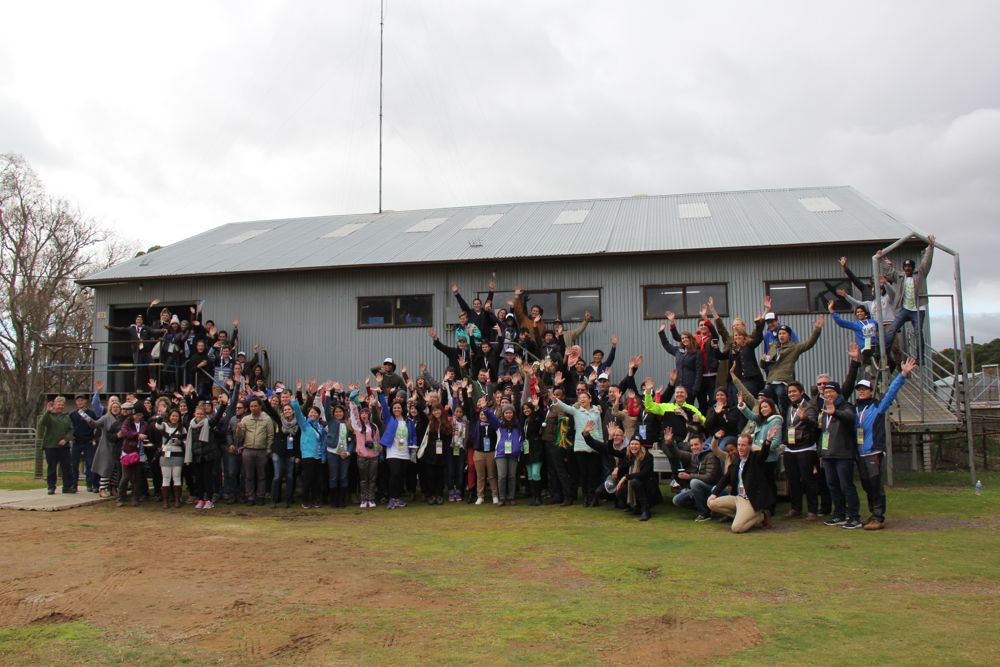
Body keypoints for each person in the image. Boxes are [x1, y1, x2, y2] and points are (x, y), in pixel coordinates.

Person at [855, 358, 917, 530]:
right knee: (867, 486)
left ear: (870, 391)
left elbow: (890, 393)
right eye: (859, 389)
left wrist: (903, 375)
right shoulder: (854, 410)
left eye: (865, 389)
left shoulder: (877, 407)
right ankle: (872, 513)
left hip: (873, 451)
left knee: (875, 485)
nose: (861, 392)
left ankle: (878, 516)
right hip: (860, 454)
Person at [707, 433, 775, 533]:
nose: (740, 448)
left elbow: (763, 454)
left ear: (749, 446)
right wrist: (714, 494)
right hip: (738, 497)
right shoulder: (736, 461)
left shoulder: (755, 458)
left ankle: (761, 516)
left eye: (743, 445)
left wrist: (768, 441)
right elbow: (725, 478)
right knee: (711, 503)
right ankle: (743, 516)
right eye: (739, 445)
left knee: (736, 528)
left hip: (751, 500)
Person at [882, 235, 935, 361]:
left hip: (918, 309)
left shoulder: (920, 274)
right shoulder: (901, 277)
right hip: (905, 309)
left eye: (909, 267)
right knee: (892, 330)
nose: (907, 269)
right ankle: (884, 355)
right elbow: (890, 273)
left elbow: (926, 262)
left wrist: (930, 247)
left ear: (913, 268)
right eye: (905, 267)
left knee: (917, 332)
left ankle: (920, 358)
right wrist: (884, 263)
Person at [817, 381, 862, 529]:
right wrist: (821, 453)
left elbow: (849, 418)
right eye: (825, 392)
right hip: (828, 454)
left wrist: (834, 412)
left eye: (831, 391)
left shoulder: (846, 406)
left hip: (843, 453)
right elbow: (824, 432)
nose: (828, 394)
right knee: (833, 485)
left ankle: (854, 516)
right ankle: (839, 514)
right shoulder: (825, 410)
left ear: (838, 393)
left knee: (846, 485)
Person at [760, 316, 824, 415]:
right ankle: (770, 423)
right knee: (764, 400)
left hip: (783, 380)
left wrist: (817, 329)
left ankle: (786, 424)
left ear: (789, 336)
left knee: (782, 403)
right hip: (770, 380)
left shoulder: (794, 347)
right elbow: (764, 365)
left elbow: (809, 343)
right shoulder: (773, 347)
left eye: (784, 333)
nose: (781, 336)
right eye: (779, 334)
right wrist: (763, 360)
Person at [783, 381, 820, 521]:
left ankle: (812, 510)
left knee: (808, 480)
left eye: (794, 391)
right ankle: (796, 508)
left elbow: (815, 424)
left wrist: (805, 419)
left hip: (805, 448)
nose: (791, 394)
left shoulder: (809, 406)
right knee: (792, 480)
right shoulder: (789, 408)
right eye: (789, 392)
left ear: (802, 392)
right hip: (790, 448)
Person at [667, 432, 722, 521]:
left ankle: (704, 514)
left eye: (696, 444)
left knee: (694, 482)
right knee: (677, 500)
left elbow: (709, 477)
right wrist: (669, 443)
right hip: (698, 489)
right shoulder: (693, 456)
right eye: (691, 445)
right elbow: (677, 453)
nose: (693, 447)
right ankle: (707, 508)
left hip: (713, 490)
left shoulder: (711, 456)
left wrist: (689, 476)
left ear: (703, 444)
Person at [236, 398, 275, 506]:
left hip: (262, 451)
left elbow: (270, 435)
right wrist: (239, 429)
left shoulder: (267, 419)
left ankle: (260, 496)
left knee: (261, 476)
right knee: (249, 476)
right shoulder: (245, 419)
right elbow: (240, 437)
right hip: (248, 450)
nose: (253, 408)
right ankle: (250, 496)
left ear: (260, 407)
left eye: (255, 406)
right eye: (251, 406)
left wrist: (268, 449)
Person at [613, 436, 661, 521]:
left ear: (641, 446)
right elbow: (610, 451)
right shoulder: (629, 456)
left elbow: (643, 474)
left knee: (635, 482)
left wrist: (625, 477)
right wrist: (610, 438)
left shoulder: (648, 456)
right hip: (637, 486)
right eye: (632, 444)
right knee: (620, 492)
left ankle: (645, 510)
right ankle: (635, 506)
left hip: (649, 489)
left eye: (636, 444)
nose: (634, 446)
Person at [485, 403, 524, 506]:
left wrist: (519, 448)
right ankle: (502, 498)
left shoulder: (518, 426)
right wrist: (485, 409)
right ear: (503, 414)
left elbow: (521, 439)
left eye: (510, 412)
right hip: (501, 454)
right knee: (502, 476)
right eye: (506, 413)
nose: (508, 415)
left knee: (512, 476)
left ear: (513, 413)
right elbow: (491, 418)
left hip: (514, 454)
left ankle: (511, 497)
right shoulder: (499, 425)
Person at [290, 394, 325, 509]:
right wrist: (294, 403)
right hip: (307, 456)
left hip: (318, 457)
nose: (312, 414)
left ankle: (315, 500)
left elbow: (322, 442)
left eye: (315, 413)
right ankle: (305, 500)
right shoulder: (305, 425)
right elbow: (299, 414)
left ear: (319, 415)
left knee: (317, 480)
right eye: (311, 413)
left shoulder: (320, 427)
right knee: (308, 479)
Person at [36, 397, 74, 495]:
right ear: (55, 405)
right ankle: (51, 487)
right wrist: (47, 411)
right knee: (52, 467)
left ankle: (67, 486)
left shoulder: (66, 417)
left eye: (62, 405)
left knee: (66, 467)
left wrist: (66, 439)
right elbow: (42, 422)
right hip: (51, 446)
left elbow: (71, 430)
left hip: (64, 447)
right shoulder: (49, 416)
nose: (60, 406)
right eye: (58, 404)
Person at [350, 396, 381, 508]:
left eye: (366, 413)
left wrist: (376, 448)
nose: (364, 415)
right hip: (362, 456)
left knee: (372, 479)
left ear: (369, 415)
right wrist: (352, 401)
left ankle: (371, 499)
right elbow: (353, 415)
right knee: (363, 479)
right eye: (362, 414)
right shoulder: (358, 426)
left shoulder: (374, 427)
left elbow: (377, 441)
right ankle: (364, 499)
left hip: (373, 456)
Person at [117, 404, 149, 506]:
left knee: (136, 477)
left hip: (139, 452)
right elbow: (126, 433)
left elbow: (145, 434)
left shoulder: (144, 424)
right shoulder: (127, 422)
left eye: (139, 415)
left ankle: (135, 497)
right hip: (128, 452)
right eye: (136, 414)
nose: (137, 417)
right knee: (125, 477)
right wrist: (137, 435)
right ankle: (121, 497)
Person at [155, 409, 186, 508]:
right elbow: (157, 425)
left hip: (178, 456)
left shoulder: (182, 428)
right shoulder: (164, 425)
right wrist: (162, 415)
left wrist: (180, 442)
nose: (174, 418)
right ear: (169, 416)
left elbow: (186, 441)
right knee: (166, 478)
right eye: (173, 416)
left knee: (177, 478)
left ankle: (177, 500)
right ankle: (165, 501)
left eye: (176, 416)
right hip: (165, 456)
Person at [68, 394, 98, 493]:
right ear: (76, 402)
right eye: (78, 400)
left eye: (82, 400)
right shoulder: (72, 414)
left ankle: (90, 484)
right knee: (74, 465)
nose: (80, 402)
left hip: (88, 442)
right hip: (76, 442)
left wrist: (90, 422)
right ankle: (74, 485)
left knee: (90, 464)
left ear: (85, 401)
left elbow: (96, 426)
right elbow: (69, 427)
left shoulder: (91, 413)